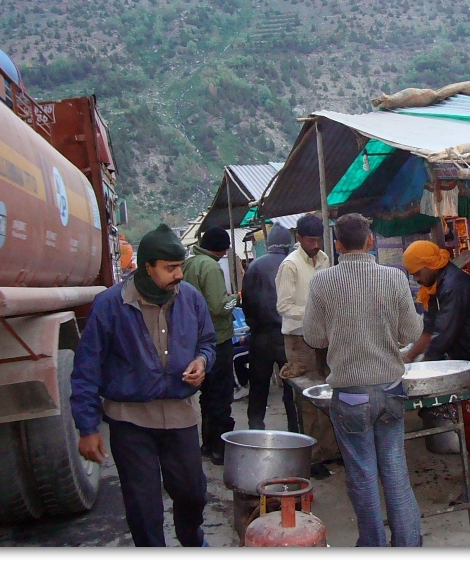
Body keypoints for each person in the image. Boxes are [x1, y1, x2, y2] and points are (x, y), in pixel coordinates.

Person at [70, 223, 216, 547]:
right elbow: (86, 369)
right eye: (170, 268)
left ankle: (193, 541)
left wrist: (202, 362)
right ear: (147, 267)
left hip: (181, 416)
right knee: (143, 506)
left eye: (180, 266)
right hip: (131, 421)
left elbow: (207, 341)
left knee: (193, 493)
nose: (178, 275)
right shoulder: (110, 305)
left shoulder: (191, 298)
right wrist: (88, 427)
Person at [303, 213, 423, 547]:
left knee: (363, 476)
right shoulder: (394, 278)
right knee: (395, 471)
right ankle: (409, 544)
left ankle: (373, 547)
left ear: (338, 245)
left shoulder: (322, 282)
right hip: (389, 389)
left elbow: (313, 336)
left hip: (351, 395)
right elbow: (412, 331)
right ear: (370, 241)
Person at [402, 240, 470, 507]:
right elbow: (428, 333)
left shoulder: (455, 286)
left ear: (429, 265)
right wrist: (406, 359)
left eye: (417, 273)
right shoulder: (432, 289)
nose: (416, 279)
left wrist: (423, 372)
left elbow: (442, 337)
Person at [275, 213, 339, 478]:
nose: (315, 245)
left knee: (328, 394)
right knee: (308, 398)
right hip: (299, 339)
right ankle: (312, 458)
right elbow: (284, 306)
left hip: (323, 337)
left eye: (318, 239)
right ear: (299, 238)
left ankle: (331, 451)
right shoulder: (289, 265)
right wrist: (313, 312)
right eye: (310, 240)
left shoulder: (325, 259)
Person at [182, 226, 240, 465]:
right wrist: (236, 298)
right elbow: (219, 306)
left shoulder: (189, 264)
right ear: (220, 248)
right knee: (221, 395)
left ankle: (207, 444)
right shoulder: (211, 266)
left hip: (195, 340)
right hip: (218, 339)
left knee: (207, 396)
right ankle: (220, 448)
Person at [240, 223, 299, 432]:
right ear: (289, 244)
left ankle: (255, 430)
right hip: (289, 337)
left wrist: (253, 326)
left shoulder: (254, 266)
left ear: (269, 243)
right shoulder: (294, 264)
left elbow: (245, 302)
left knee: (259, 386)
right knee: (292, 387)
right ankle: (295, 430)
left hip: (260, 337)